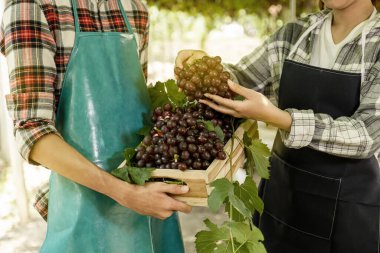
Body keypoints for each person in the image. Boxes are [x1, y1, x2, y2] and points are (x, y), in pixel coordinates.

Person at [176, 0, 380, 252]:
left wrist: (281, 119)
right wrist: (204, 68)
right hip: (282, 199)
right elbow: (242, 79)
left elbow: (365, 135)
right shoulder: (295, 33)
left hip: (347, 212)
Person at [0, 0, 191, 252]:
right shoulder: (31, 6)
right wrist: (126, 194)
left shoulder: (135, 9)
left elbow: (138, 115)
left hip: (149, 203)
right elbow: (33, 131)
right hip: (84, 210)